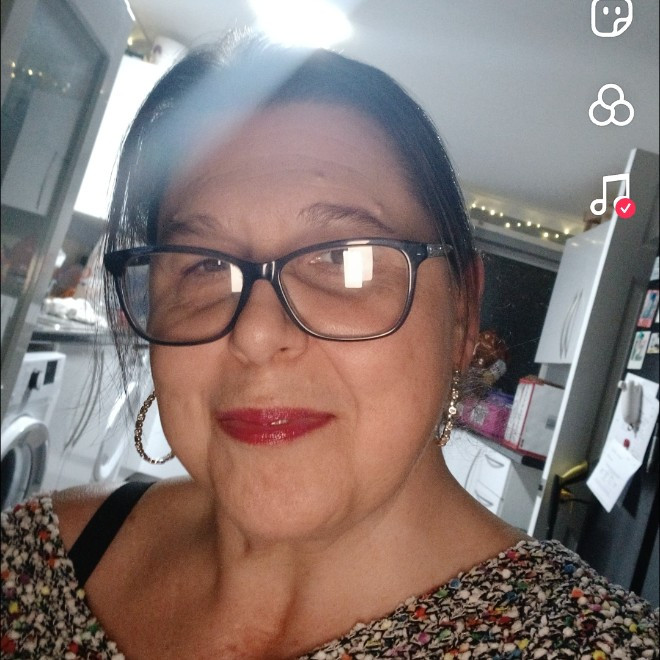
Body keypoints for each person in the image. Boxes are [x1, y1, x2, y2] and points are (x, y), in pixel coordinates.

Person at [2, 33, 658, 659]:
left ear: (461, 313)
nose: (256, 334)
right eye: (202, 264)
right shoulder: (28, 563)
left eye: (345, 258)